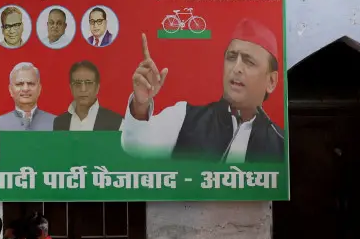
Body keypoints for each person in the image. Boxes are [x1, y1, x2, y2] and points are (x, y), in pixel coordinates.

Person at [120, 20, 286, 163]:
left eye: (248, 62)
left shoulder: (281, 143)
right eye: (231, 57)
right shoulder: (185, 117)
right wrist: (140, 105)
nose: (236, 68)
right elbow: (136, 147)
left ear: (271, 81)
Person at [53, 60, 123, 131]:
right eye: (77, 83)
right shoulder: (59, 123)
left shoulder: (116, 123)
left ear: (97, 88)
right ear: (71, 88)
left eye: (88, 83)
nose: (83, 89)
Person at [0, 62, 57, 131]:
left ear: (39, 89)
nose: (25, 89)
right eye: (19, 84)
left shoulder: (57, 124)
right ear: (10, 90)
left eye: (31, 83)